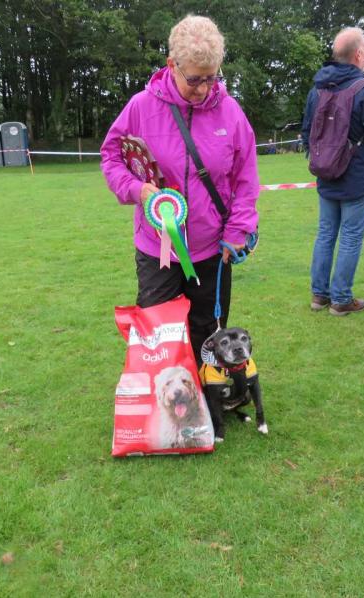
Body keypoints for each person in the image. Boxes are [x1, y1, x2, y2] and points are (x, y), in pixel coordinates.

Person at [100, 15, 259, 362]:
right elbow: (111, 156)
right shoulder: (140, 107)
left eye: (211, 78)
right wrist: (135, 189)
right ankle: (166, 409)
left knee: (208, 334)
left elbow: (246, 178)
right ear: (172, 65)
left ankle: (209, 405)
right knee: (158, 336)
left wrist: (238, 230)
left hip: (214, 248)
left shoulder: (231, 113)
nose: (203, 88)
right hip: (157, 249)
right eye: (194, 79)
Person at [302, 27, 364, 316]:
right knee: (350, 237)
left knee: (326, 233)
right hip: (356, 176)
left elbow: (307, 132)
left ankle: (319, 295)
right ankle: (341, 299)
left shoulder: (317, 89)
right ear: (359, 54)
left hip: (325, 173)